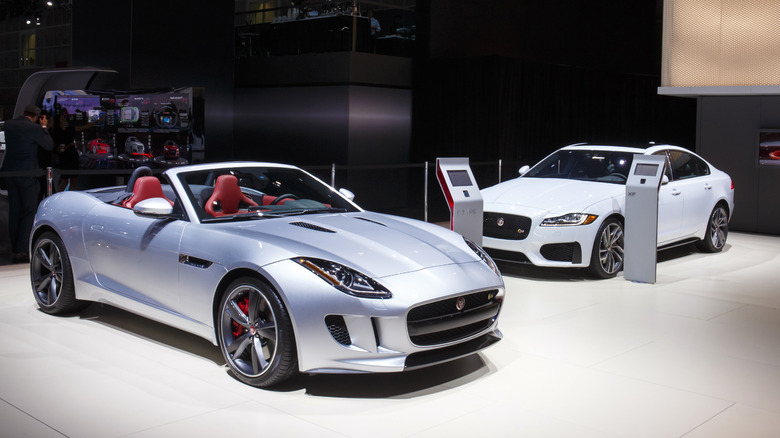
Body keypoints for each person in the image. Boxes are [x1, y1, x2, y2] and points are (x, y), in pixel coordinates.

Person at [1, 104, 54, 263]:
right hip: (28, 175)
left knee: (15, 211)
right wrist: (44, 127)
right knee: (29, 211)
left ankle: (14, 248)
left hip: (10, 173)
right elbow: (49, 145)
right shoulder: (35, 129)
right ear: (38, 117)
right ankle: (22, 249)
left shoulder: (9, 125)